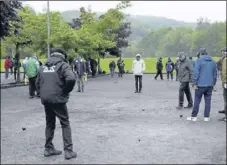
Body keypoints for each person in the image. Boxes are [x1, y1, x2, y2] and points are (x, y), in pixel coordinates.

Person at [36, 48, 77, 159]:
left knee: (49, 123)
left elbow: (37, 83)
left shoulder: (43, 66)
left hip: (46, 100)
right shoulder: (63, 65)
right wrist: (65, 91)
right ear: (62, 56)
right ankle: (68, 151)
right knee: (65, 123)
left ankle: (48, 149)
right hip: (58, 99)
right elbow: (71, 79)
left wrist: (42, 94)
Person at [187, 48, 217, 122]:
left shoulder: (198, 61)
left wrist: (194, 82)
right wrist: (213, 83)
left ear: (200, 53)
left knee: (197, 100)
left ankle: (194, 116)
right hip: (210, 85)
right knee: (208, 101)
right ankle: (206, 117)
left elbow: (196, 73)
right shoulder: (213, 62)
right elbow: (215, 75)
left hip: (200, 85)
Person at [219, 47, 227, 122]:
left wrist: (224, 82)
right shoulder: (223, 59)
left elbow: (224, 72)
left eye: (224, 51)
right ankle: (225, 110)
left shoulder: (225, 59)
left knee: (226, 98)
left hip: (226, 81)